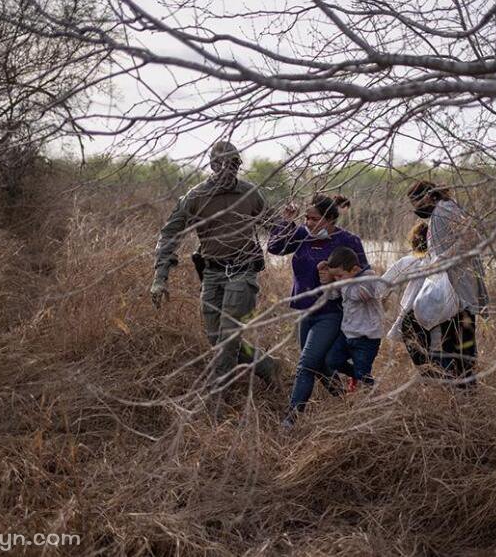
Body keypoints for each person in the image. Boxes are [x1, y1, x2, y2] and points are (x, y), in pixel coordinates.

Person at [149, 141, 281, 392]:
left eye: (234, 165)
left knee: (228, 340)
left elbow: (276, 228)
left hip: (242, 272)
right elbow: (170, 234)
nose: (228, 170)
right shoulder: (195, 196)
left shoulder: (250, 193)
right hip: (212, 274)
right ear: (212, 165)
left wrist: (294, 228)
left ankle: (216, 402)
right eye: (223, 165)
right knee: (217, 340)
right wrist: (160, 277)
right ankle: (266, 366)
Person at [267, 194, 369, 428]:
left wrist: (335, 277)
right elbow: (274, 247)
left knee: (306, 363)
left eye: (314, 219)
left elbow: (364, 273)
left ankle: (291, 420)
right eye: (306, 218)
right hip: (306, 310)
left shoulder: (347, 240)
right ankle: (347, 401)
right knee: (320, 364)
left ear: (330, 219)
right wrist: (286, 221)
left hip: (331, 310)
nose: (308, 223)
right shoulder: (301, 235)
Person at [402, 181, 488, 387]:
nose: (416, 208)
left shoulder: (446, 209)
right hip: (449, 290)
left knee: (461, 348)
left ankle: (456, 387)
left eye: (417, 201)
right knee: (452, 345)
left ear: (430, 196)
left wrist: (443, 259)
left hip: (459, 292)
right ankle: (449, 383)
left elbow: (471, 237)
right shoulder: (438, 213)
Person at [323, 246, 384, 390]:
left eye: (339, 276)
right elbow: (332, 296)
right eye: (335, 276)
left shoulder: (369, 279)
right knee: (332, 360)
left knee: (363, 370)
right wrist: (329, 282)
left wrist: (344, 285)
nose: (337, 279)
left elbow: (360, 294)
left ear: (355, 270)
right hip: (347, 334)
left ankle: (370, 390)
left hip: (367, 337)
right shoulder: (345, 281)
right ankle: (357, 375)